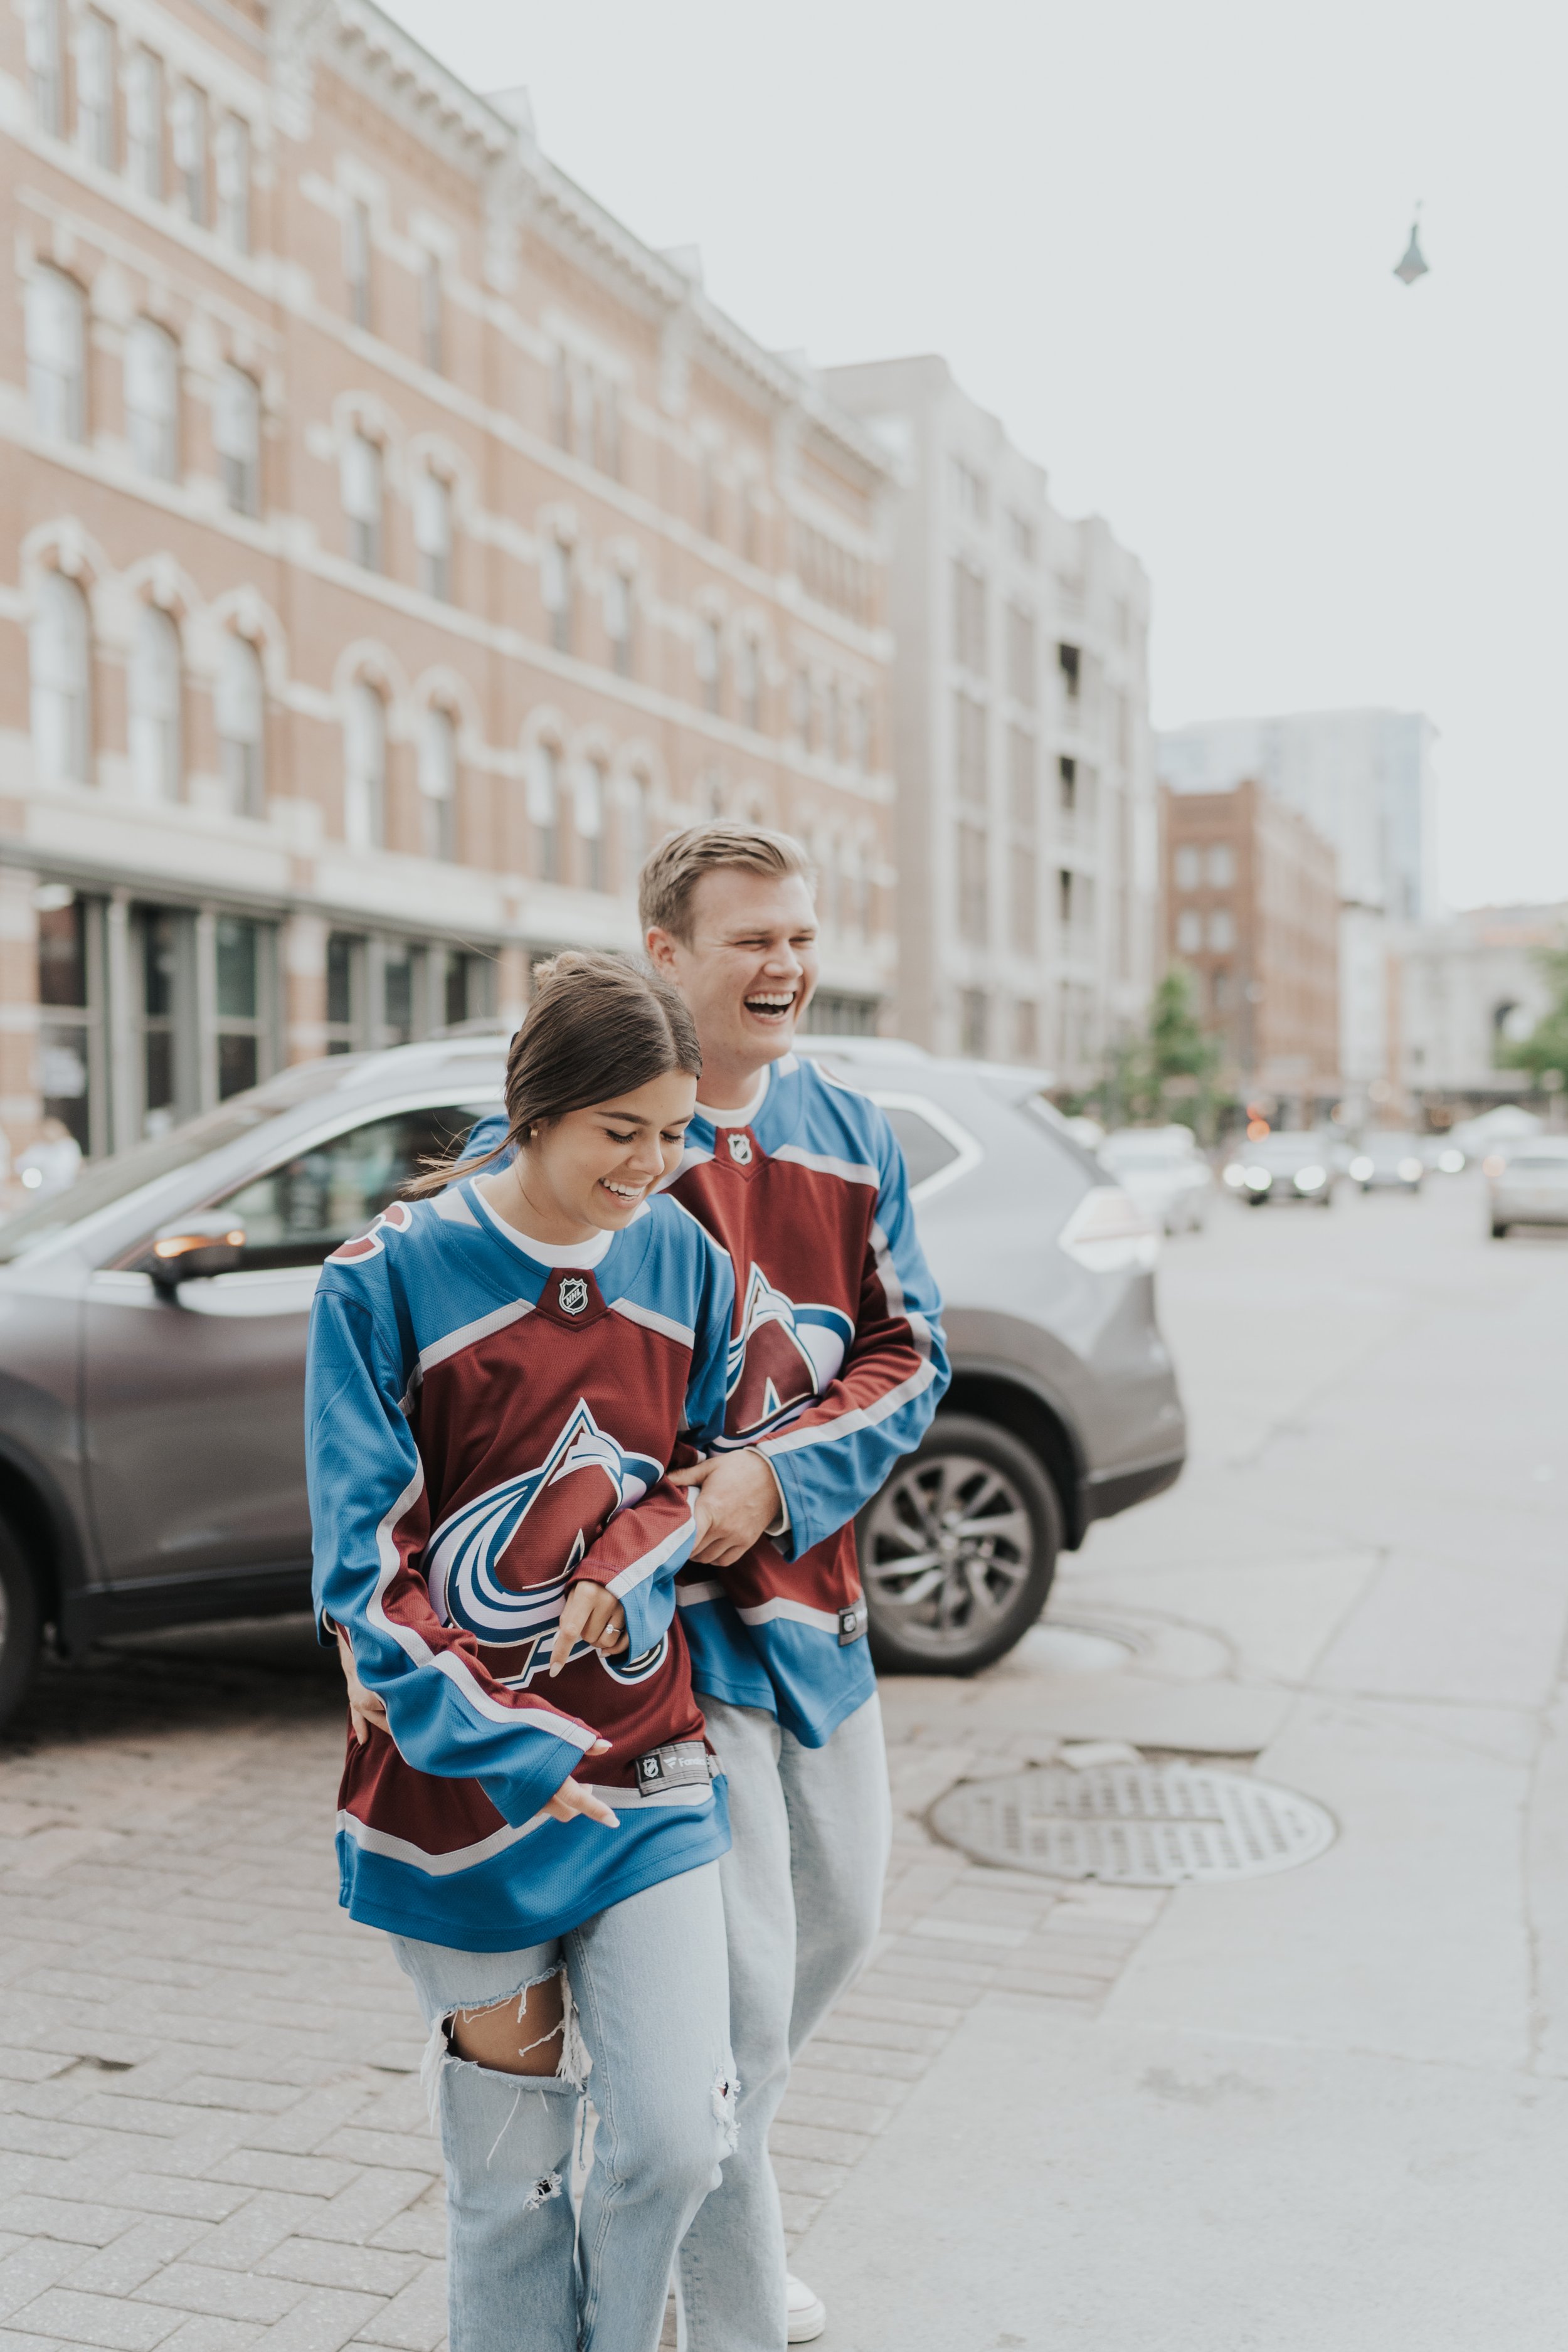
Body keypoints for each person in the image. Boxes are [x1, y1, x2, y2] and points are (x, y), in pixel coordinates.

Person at [428, 827, 949, 2349]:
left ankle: (690, 2180)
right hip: (660, 1656)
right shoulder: (562, 1140)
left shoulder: (853, 1135)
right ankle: (714, 2285)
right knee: (730, 2004)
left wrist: (770, 1481)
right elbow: (493, 1365)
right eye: (749, 940)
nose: (785, 965)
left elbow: (906, 1353)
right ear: (664, 954)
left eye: (800, 935)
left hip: (819, 1621)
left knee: (830, 1935)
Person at [309, 953, 745, 2352]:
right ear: (536, 1107)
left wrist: (634, 1554)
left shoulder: (686, 1259)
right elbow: (360, 1574)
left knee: (677, 2139)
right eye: (620, 1130)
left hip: (649, 1768)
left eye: (674, 1133)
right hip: (468, 1795)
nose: (650, 1166)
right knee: (509, 2181)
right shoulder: (384, 1282)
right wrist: (506, 1745)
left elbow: (715, 1464)